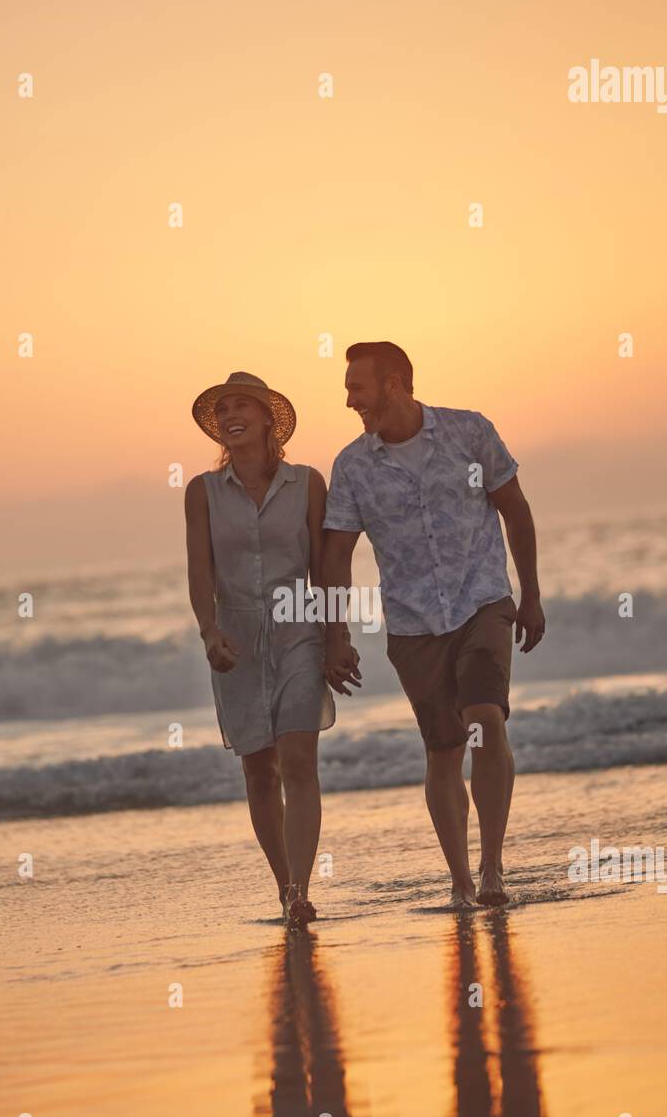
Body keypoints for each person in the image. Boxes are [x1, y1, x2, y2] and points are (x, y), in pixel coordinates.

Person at [321, 342, 545, 907]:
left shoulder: (470, 433)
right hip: (414, 623)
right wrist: (335, 635)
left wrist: (532, 595)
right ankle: (461, 882)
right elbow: (336, 556)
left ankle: (492, 869)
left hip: (482, 602)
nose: (350, 401)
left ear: (395, 383)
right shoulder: (351, 466)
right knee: (443, 749)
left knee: (486, 721)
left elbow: (515, 509)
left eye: (357, 387)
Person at [185, 371, 335, 927]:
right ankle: (283, 885)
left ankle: (300, 890)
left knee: (298, 760)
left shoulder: (307, 483)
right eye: (223, 410)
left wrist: (336, 637)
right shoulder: (201, 491)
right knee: (258, 770)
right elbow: (199, 570)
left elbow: (326, 571)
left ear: (269, 418)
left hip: (300, 629)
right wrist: (209, 630)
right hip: (237, 638)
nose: (230, 415)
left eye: (242, 405)